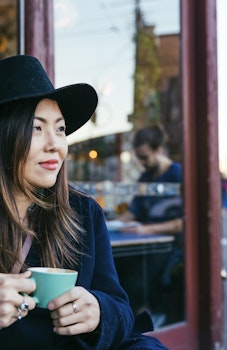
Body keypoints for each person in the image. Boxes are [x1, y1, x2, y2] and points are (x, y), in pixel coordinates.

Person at [0, 55, 168, 350]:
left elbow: (119, 307)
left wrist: (99, 312)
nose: (55, 144)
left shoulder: (82, 212)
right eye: (36, 128)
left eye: (60, 129)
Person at [114, 125, 184, 326]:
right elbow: (133, 211)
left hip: (171, 244)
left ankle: (152, 317)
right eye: (139, 158)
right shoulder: (145, 178)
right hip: (145, 242)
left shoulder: (178, 175)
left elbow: (183, 223)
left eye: (145, 157)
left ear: (159, 150)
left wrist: (145, 229)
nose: (142, 163)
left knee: (139, 280)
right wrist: (113, 223)